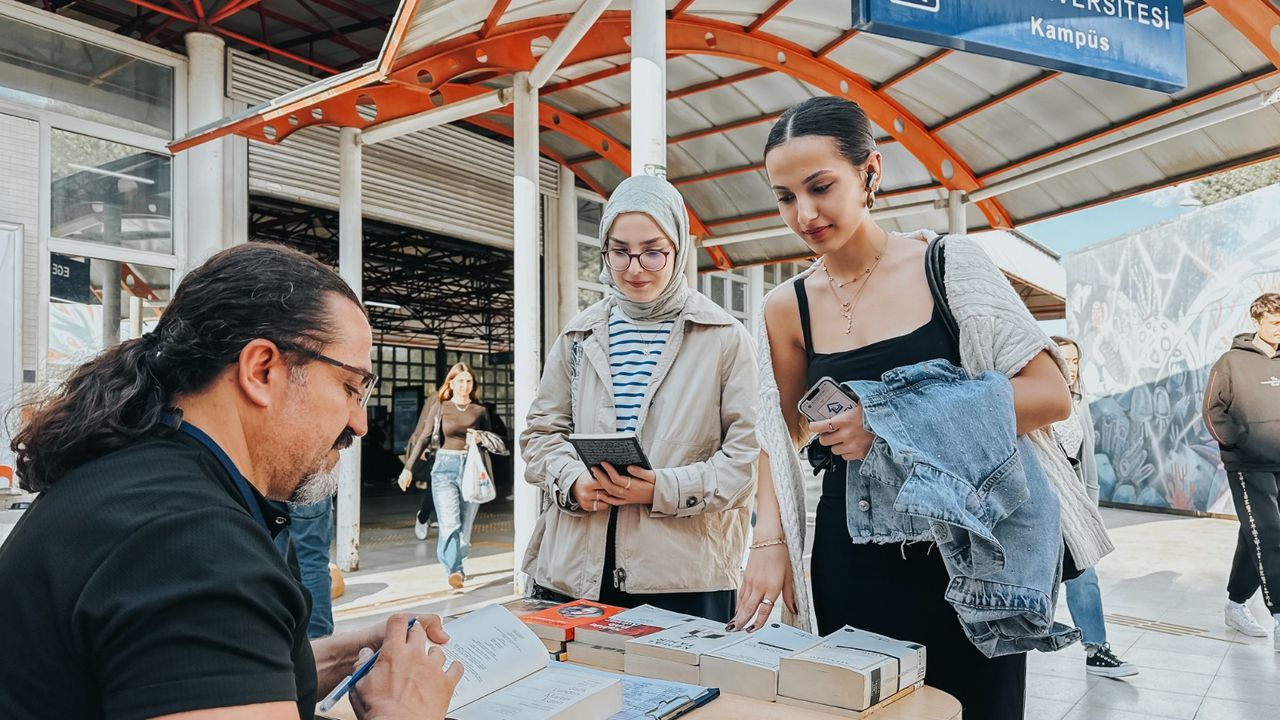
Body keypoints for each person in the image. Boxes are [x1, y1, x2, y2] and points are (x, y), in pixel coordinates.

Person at [732, 96, 1110, 720]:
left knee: (978, 709)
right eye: (784, 196)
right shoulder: (785, 306)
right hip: (850, 551)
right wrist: (767, 541)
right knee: (867, 710)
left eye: (821, 186)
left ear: (870, 173)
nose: (804, 213)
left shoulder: (947, 265)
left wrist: (882, 419)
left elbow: (1049, 393)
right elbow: (782, 432)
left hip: (969, 546)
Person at [0, 243, 462, 719]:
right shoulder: (193, 547)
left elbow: (196, 675)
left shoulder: (140, 481)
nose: (360, 423)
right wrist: (406, 711)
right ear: (261, 369)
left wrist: (344, 657)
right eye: (349, 387)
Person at [520, 174, 759, 623]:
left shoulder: (725, 338)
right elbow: (540, 434)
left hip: (683, 577)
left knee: (682, 693)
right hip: (574, 567)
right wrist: (573, 481)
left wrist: (662, 489)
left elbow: (745, 461)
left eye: (653, 251)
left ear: (678, 250)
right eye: (619, 251)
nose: (634, 268)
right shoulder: (578, 335)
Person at [1051, 336, 1138, 677]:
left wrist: (1091, 509)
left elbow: (1085, 460)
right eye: (1062, 360)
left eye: (1075, 361)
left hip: (1074, 500)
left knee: (1084, 574)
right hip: (1041, 501)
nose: (1070, 368)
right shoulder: (1033, 397)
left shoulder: (1078, 400)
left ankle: (1096, 649)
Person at [1204, 292, 1280, 649]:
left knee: (1256, 534)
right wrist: (1238, 443)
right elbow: (1212, 410)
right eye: (1275, 322)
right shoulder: (1231, 361)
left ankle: (1235, 604)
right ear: (1258, 321)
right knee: (1269, 532)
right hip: (1248, 463)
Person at [401, 363, 504, 590]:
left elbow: (494, 438)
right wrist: (408, 468)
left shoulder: (479, 411)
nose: (465, 386)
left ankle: (458, 559)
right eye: (460, 381)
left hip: (471, 468)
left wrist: (480, 438)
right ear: (451, 383)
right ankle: (455, 570)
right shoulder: (440, 407)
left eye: (468, 381)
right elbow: (424, 437)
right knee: (450, 523)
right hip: (444, 467)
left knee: (465, 528)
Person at [274, 498, 336, 639]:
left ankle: (274, 633)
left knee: (272, 561)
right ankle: (318, 636)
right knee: (314, 561)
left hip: (267, 483)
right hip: (309, 484)